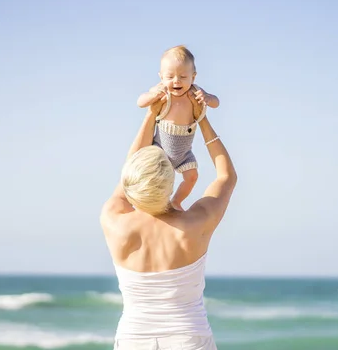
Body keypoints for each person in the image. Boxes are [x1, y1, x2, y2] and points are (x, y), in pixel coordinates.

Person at [100, 89, 237, 350]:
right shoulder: (196, 224)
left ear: (132, 183)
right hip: (189, 339)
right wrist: (202, 120)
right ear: (171, 181)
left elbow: (128, 176)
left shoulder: (113, 220)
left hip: (133, 340)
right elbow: (226, 177)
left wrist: (151, 115)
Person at [136, 45, 220, 211]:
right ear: (161, 77)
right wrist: (153, 96)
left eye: (183, 76)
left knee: (192, 177)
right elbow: (140, 101)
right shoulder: (161, 91)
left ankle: (176, 201)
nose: (176, 81)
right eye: (170, 76)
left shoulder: (196, 92)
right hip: (160, 149)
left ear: (193, 77)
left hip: (184, 153)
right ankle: (154, 204)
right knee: (154, 179)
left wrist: (208, 98)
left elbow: (216, 103)